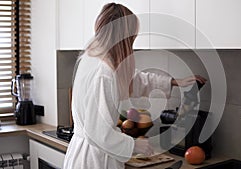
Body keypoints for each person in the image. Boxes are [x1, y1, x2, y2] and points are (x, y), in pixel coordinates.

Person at [63, 2, 207, 169]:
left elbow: (134, 80)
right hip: (93, 160)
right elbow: (99, 133)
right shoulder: (103, 73)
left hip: (88, 155)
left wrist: (173, 82)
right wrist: (135, 145)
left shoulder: (94, 59)